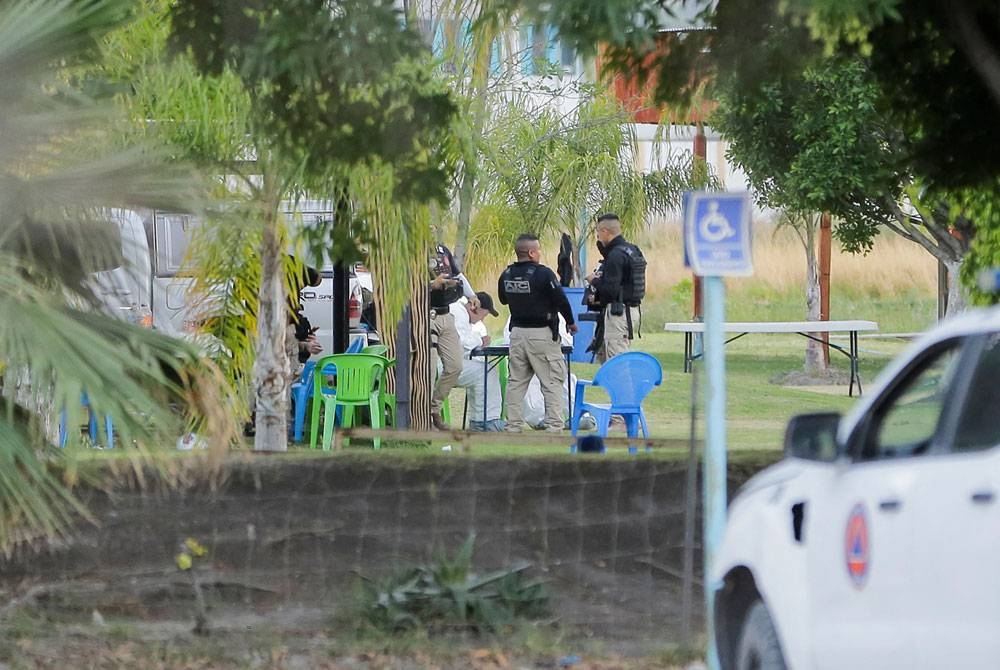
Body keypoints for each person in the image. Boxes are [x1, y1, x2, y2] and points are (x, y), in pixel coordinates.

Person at [498, 234, 578, 433]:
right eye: (539, 250)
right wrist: (570, 322)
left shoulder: (507, 274)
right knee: (552, 381)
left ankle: (513, 426)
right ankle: (554, 426)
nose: (540, 253)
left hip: (517, 335)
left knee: (516, 382)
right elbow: (561, 300)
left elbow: (502, 299)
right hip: (541, 335)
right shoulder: (543, 274)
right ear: (532, 252)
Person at [429, 243, 480, 430]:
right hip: (426, 314)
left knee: (455, 366)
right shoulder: (412, 251)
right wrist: (432, 285)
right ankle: (425, 416)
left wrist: (471, 295)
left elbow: (457, 275)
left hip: (445, 314)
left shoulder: (442, 250)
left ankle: (433, 407)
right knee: (428, 368)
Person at [585, 213, 645, 364]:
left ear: (605, 231)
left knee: (616, 361)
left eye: (598, 232)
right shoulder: (632, 250)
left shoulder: (615, 255)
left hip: (618, 313)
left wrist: (595, 280)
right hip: (628, 310)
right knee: (607, 357)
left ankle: (622, 388)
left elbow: (609, 291)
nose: (597, 236)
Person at [449, 291, 504, 431]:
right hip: (445, 366)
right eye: (483, 315)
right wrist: (480, 340)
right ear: (475, 308)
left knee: (481, 371)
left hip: (444, 363)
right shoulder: (459, 313)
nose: (482, 320)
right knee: (487, 371)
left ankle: (480, 421)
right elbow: (463, 343)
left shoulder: (457, 311)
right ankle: (487, 422)